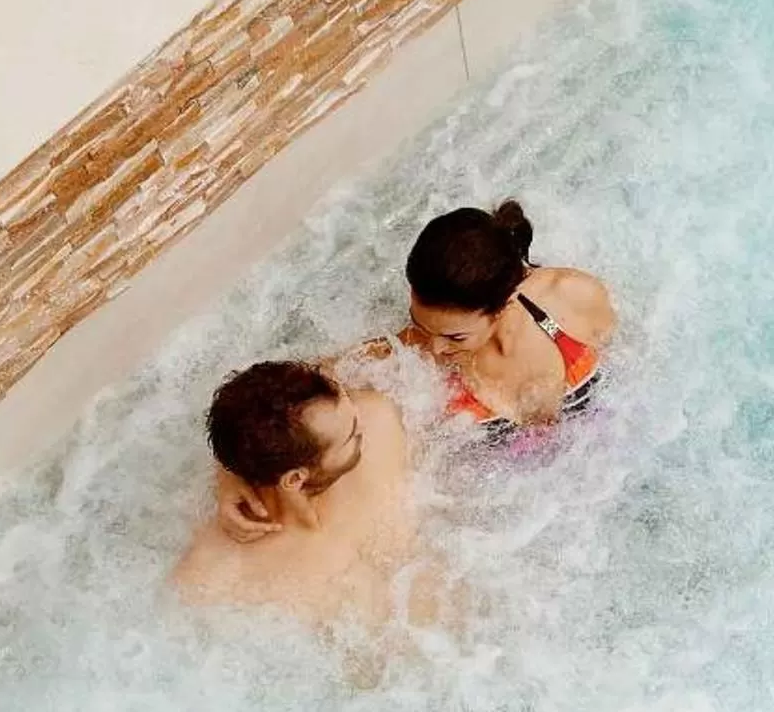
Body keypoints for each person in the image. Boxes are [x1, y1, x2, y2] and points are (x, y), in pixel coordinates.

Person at [173, 360, 423, 624]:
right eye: (351, 435)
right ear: (294, 479)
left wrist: (227, 472)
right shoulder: (217, 575)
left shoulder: (377, 417)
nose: (362, 426)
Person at [400, 201, 617, 434]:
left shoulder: (572, 297)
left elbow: (628, 358)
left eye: (455, 336)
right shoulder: (413, 357)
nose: (436, 347)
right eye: (419, 324)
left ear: (504, 308)